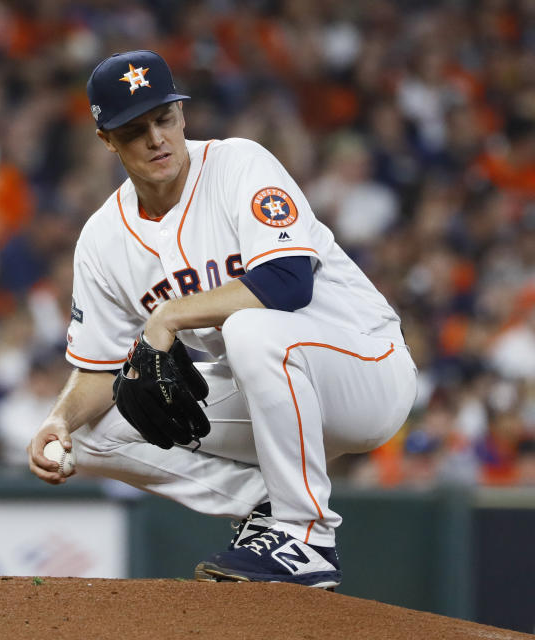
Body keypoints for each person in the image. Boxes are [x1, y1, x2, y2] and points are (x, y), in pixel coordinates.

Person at [27, 50, 418, 589]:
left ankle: (306, 539)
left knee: (251, 329)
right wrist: (57, 420)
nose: (157, 138)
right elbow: (99, 367)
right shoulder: (102, 239)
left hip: (366, 369)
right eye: (135, 130)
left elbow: (287, 282)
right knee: (92, 435)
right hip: (271, 393)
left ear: (182, 116)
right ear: (106, 140)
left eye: (164, 118)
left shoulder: (239, 164)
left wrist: (167, 316)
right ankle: (266, 505)